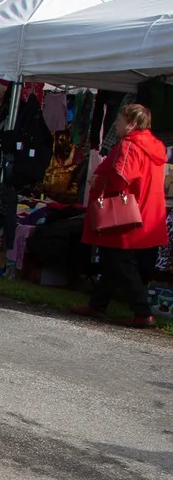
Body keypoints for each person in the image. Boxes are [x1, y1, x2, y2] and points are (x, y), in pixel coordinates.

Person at [72, 103, 168, 328]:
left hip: (125, 214)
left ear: (132, 123)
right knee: (113, 260)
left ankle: (142, 312)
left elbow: (121, 178)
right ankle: (98, 303)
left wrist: (97, 181)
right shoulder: (155, 146)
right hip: (144, 212)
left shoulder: (130, 145)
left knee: (121, 262)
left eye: (120, 121)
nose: (116, 125)